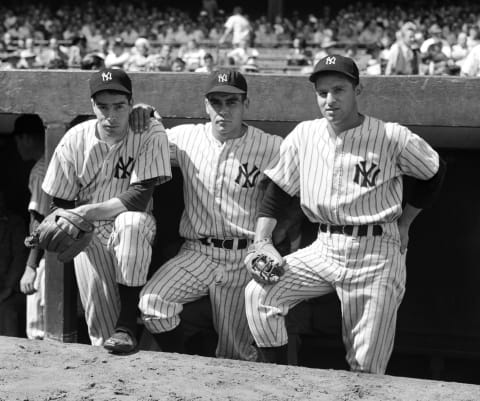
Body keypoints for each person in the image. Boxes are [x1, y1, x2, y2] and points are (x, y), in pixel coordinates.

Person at [244, 55, 446, 373]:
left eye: (339, 90)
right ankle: (277, 380)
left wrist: (405, 223)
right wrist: (262, 241)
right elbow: (278, 190)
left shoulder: (390, 136)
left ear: (357, 90)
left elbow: (434, 171)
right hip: (325, 248)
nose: (330, 99)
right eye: (322, 92)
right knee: (259, 294)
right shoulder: (304, 135)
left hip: (376, 253)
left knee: (364, 367)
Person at [133, 69, 284, 361]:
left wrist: (273, 238)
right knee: (153, 305)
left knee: (235, 353)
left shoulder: (271, 146)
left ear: (246, 104)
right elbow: (148, 139)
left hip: (244, 257)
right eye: (216, 102)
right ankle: (186, 367)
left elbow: (296, 189)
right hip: (197, 253)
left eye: (232, 102)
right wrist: (145, 112)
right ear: (205, 105)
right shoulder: (186, 137)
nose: (223, 110)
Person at [41, 68, 172, 353]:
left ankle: (127, 324)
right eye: (103, 107)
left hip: (133, 224)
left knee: (132, 222)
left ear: (131, 103)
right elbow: (60, 202)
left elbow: (139, 196)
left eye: (119, 106)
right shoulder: (74, 140)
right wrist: (68, 226)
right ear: (92, 106)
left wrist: (82, 214)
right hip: (88, 233)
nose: (110, 116)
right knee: (100, 328)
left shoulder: (148, 130)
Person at [13, 114, 49, 340]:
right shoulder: (54, 160)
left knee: (38, 331)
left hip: (48, 255)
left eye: (17, 140)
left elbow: (39, 220)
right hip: (72, 250)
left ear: (26, 138)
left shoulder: (40, 169)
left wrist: (31, 266)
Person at [0, 187, 28, 336]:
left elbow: (20, 257)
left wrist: (7, 289)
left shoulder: (14, 223)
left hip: (12, 289)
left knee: (6, 311)